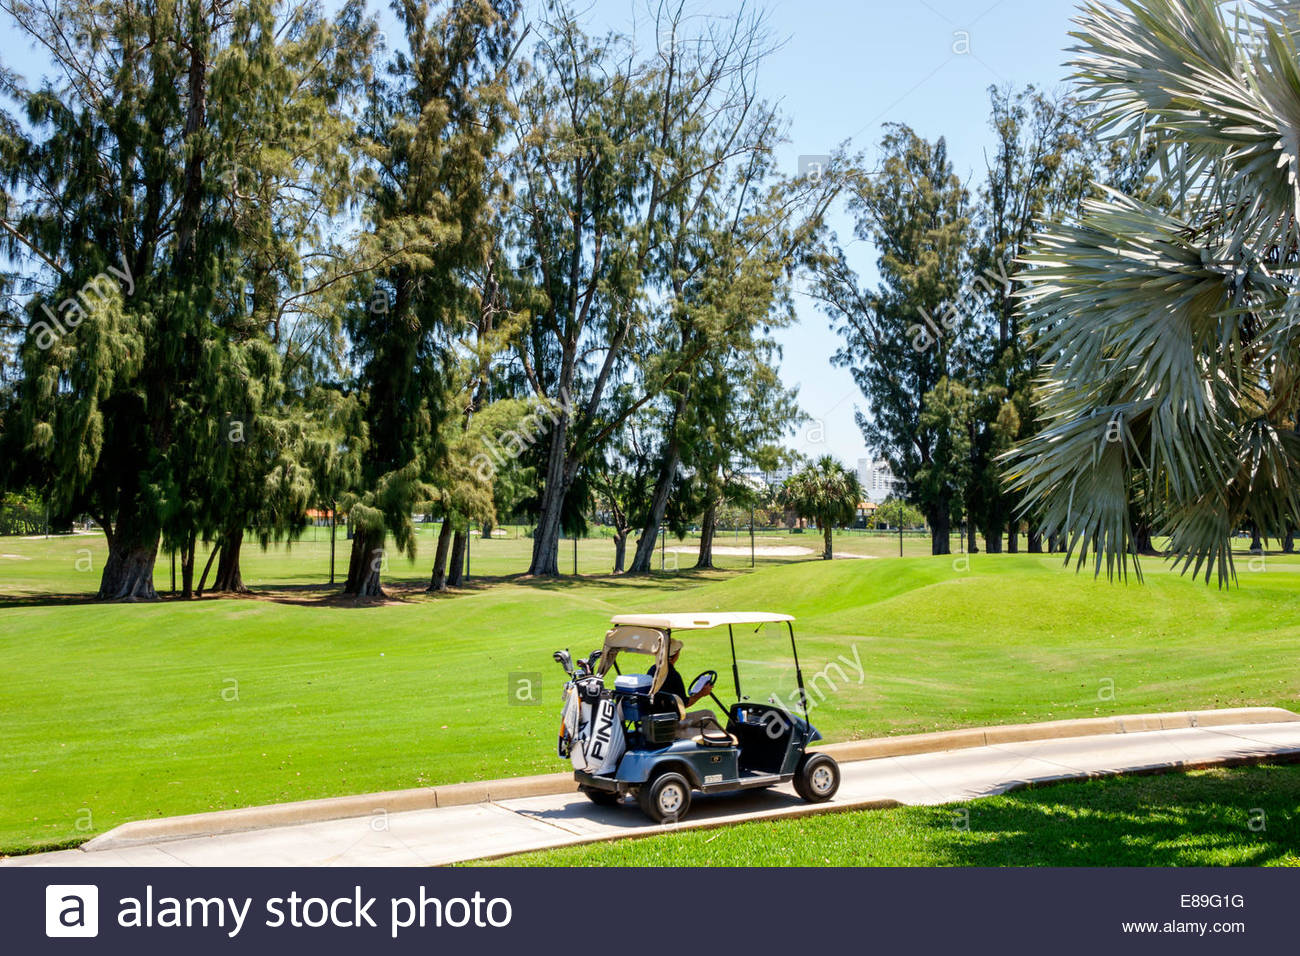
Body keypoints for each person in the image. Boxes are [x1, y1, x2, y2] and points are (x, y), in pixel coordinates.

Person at [649, 641, 711, 707]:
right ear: (676, 654)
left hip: (655, 711)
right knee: (708, 713)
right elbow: (684, 704)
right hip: (670, 714)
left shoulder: (653, 669)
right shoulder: (674, 675)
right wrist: (701, 693)